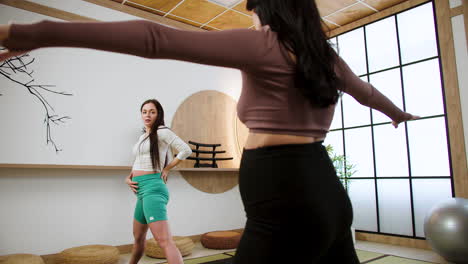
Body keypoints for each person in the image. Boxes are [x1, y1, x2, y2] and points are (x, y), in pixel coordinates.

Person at [0, 0, 418, 262]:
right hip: (327, 191)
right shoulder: (323, 57)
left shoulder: (264, 43)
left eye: (253, 11)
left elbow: (154, 38)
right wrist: (397, 114)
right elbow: (366, 93)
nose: (252, 20)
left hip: (282, 198)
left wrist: (35, 33)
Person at [126, 99, 192, 264]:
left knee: (164, 241)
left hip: (153, 188)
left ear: (158, 114)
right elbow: (140, 161)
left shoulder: (162, 131)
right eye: (144, 111)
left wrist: (168, 168)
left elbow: (186, 150)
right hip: (141, 191)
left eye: (152, 111)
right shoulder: (144, 136)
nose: (147, 115)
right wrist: (129, 178)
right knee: (138, 237)